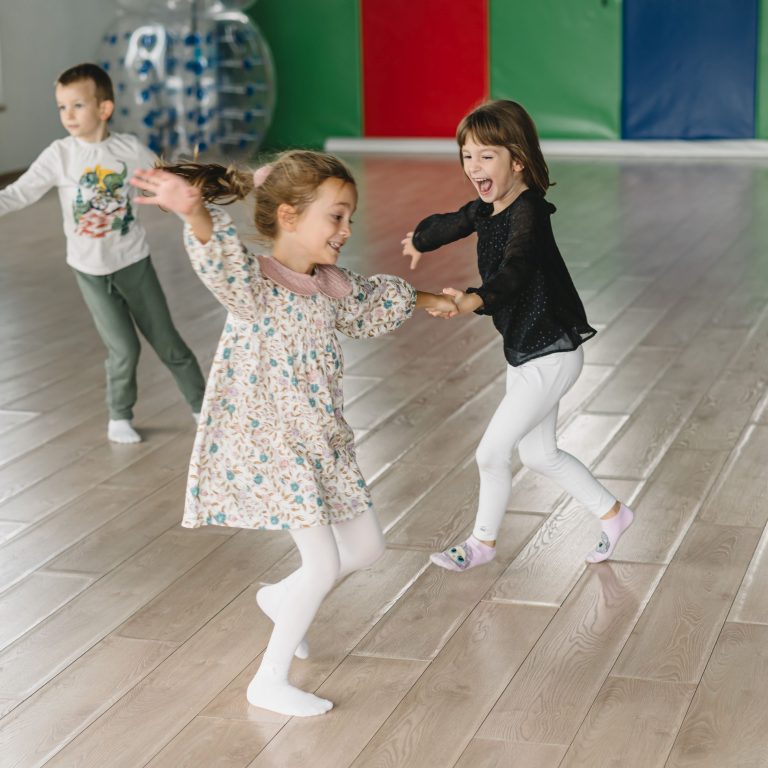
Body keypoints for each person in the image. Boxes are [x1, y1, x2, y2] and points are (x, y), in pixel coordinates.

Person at [129, 150, 457, 717]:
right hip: (274, 443)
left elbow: (370, 302)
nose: (346, 229)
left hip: (322, 439)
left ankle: (282, 597)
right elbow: (220, 259)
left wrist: (433, 301)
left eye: (350, 217)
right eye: (336, 216)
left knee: (367, 548)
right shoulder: (255, 286)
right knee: (323, 564)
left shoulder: (330, 285)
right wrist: (195, 214)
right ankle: (268, 680)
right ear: (288, 216)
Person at [402, 100, 634, 570]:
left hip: (550, 354)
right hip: (525, 353)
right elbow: (451, 222)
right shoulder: (487, 207)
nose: (474, 167)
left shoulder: (528, 212)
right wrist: (419, 240)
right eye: (467, 156)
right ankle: (614, 514)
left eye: (487, 156)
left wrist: (472, 299)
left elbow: (516, 270)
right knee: (539, 453)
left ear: (518, 161)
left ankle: (481, 545)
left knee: (492, 452)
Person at [0, 63, 205, 443]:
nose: (68, 115)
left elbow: (169, 187)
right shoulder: (60, 155)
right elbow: (19, 193)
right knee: (124, 348)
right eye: (62, 107)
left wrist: (198, 215)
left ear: (104, 108)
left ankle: (204, 410)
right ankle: (119, 416)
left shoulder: (129, 151)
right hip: (90, 272)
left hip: (134, 264)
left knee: (168, 342)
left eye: (77, 105)